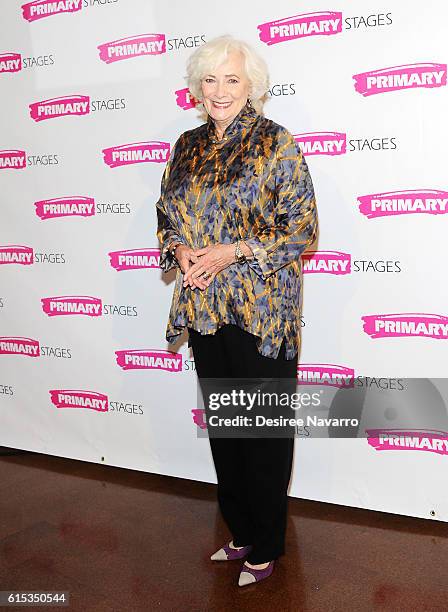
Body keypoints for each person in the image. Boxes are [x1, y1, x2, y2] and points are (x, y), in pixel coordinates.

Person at [156, 34, 318, 587]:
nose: (219, 90)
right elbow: (167, 212)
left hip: (262, 309)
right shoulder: (187, 143)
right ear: (197, 88)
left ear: (251, 86)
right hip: (205, 303)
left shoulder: (276, 143)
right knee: (227, 426)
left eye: (231, 79)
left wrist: (233, 250)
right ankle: (243, 530)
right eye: (210, 79)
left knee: (263, 429)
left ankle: (268, 542)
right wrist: (179, 249)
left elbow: (301, 229)